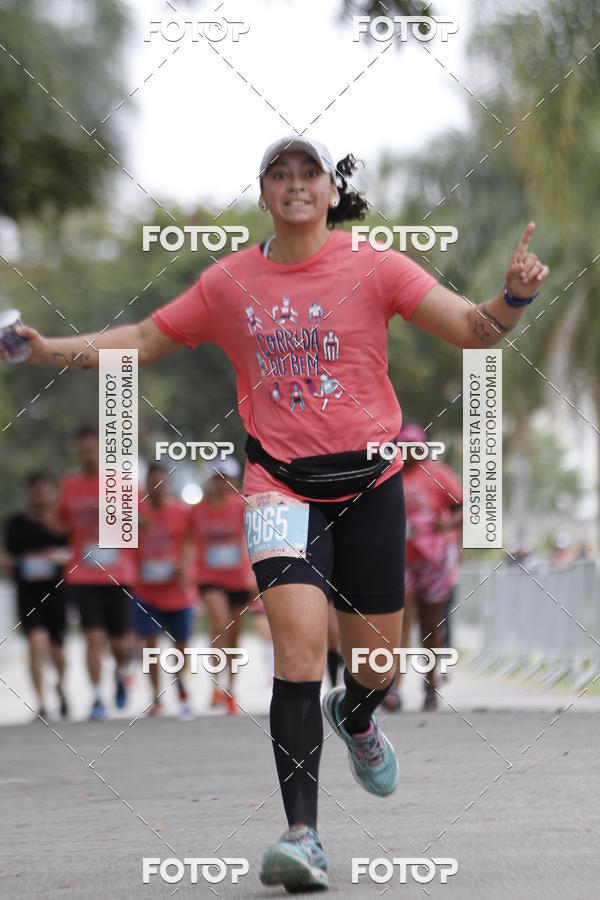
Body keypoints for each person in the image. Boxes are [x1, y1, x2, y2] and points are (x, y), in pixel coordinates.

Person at [2, 134, 549, 892]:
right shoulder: (229, 284)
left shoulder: (376, 265)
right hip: (278, 486)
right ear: (263, 196)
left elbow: (472, 329)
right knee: (295, 655)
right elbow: (137, 339)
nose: (294, 185)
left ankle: (355, 716)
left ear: (331, 191)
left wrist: (514, 296)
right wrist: (40, 347)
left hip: (370, 485)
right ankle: (302, 837)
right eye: (278, 174)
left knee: (378, 667)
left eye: (308, 173)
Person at [57, 427, 136, 719]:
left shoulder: (122, 482)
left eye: (93, 449)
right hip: (82, 575)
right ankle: (96, 696)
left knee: (120, 644)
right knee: (93, 637)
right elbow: (59, 522)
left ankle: (119, 672)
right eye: (83, 450)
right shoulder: (69, 485)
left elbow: (142, 522)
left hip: (118, 574)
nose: (88, 454)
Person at [383, 424, 463, 713]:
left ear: (424, 447)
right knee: (399, 622)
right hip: (400, 560)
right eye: (404, 446)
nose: (410, 452)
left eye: (415, 446)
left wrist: (447, 525)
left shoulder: (438, 474)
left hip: (434, 561)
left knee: (431, 625)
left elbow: (464, 509)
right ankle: (393, 687)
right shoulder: (389, 475)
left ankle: (430, 686)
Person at [2, 472, 71, 720]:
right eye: (35, 489)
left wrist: (60, 556)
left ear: (51, 491)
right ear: (28, 492)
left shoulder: (61, 522)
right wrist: (17, 561)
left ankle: (61, 685)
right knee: (34, 643)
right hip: (27, 592)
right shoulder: (15, 522)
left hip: (57, 591)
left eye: (44, 489)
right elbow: (5, 556)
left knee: (57, 649)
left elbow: (75, 552)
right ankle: (41, 702)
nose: (40, 494)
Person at [191, 457, 256, 714]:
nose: (222, 483)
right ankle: (215, 686)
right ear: (211, 480)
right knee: (219, 624)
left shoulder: (243, 504)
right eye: (218, 477)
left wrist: (253, 573)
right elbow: (188, 541)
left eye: (226, 477)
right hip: (209, 577)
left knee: (234, 636)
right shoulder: (198, 510)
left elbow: (250, 539)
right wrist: (186, 567)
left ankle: (231, 687)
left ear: (234, 479)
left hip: (238, 577)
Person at [134, 463, 196, 719]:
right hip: (146, 592)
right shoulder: (135, 513)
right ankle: (156, 696)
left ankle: (180, 684)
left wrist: (183, 567)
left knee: (181, 645)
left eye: (162, 481)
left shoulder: (182, 513)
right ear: (146, 484)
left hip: (178, 592)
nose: (157, 487)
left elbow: (191, 545)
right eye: (152, 481)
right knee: (150, 646)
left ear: (168, 484)